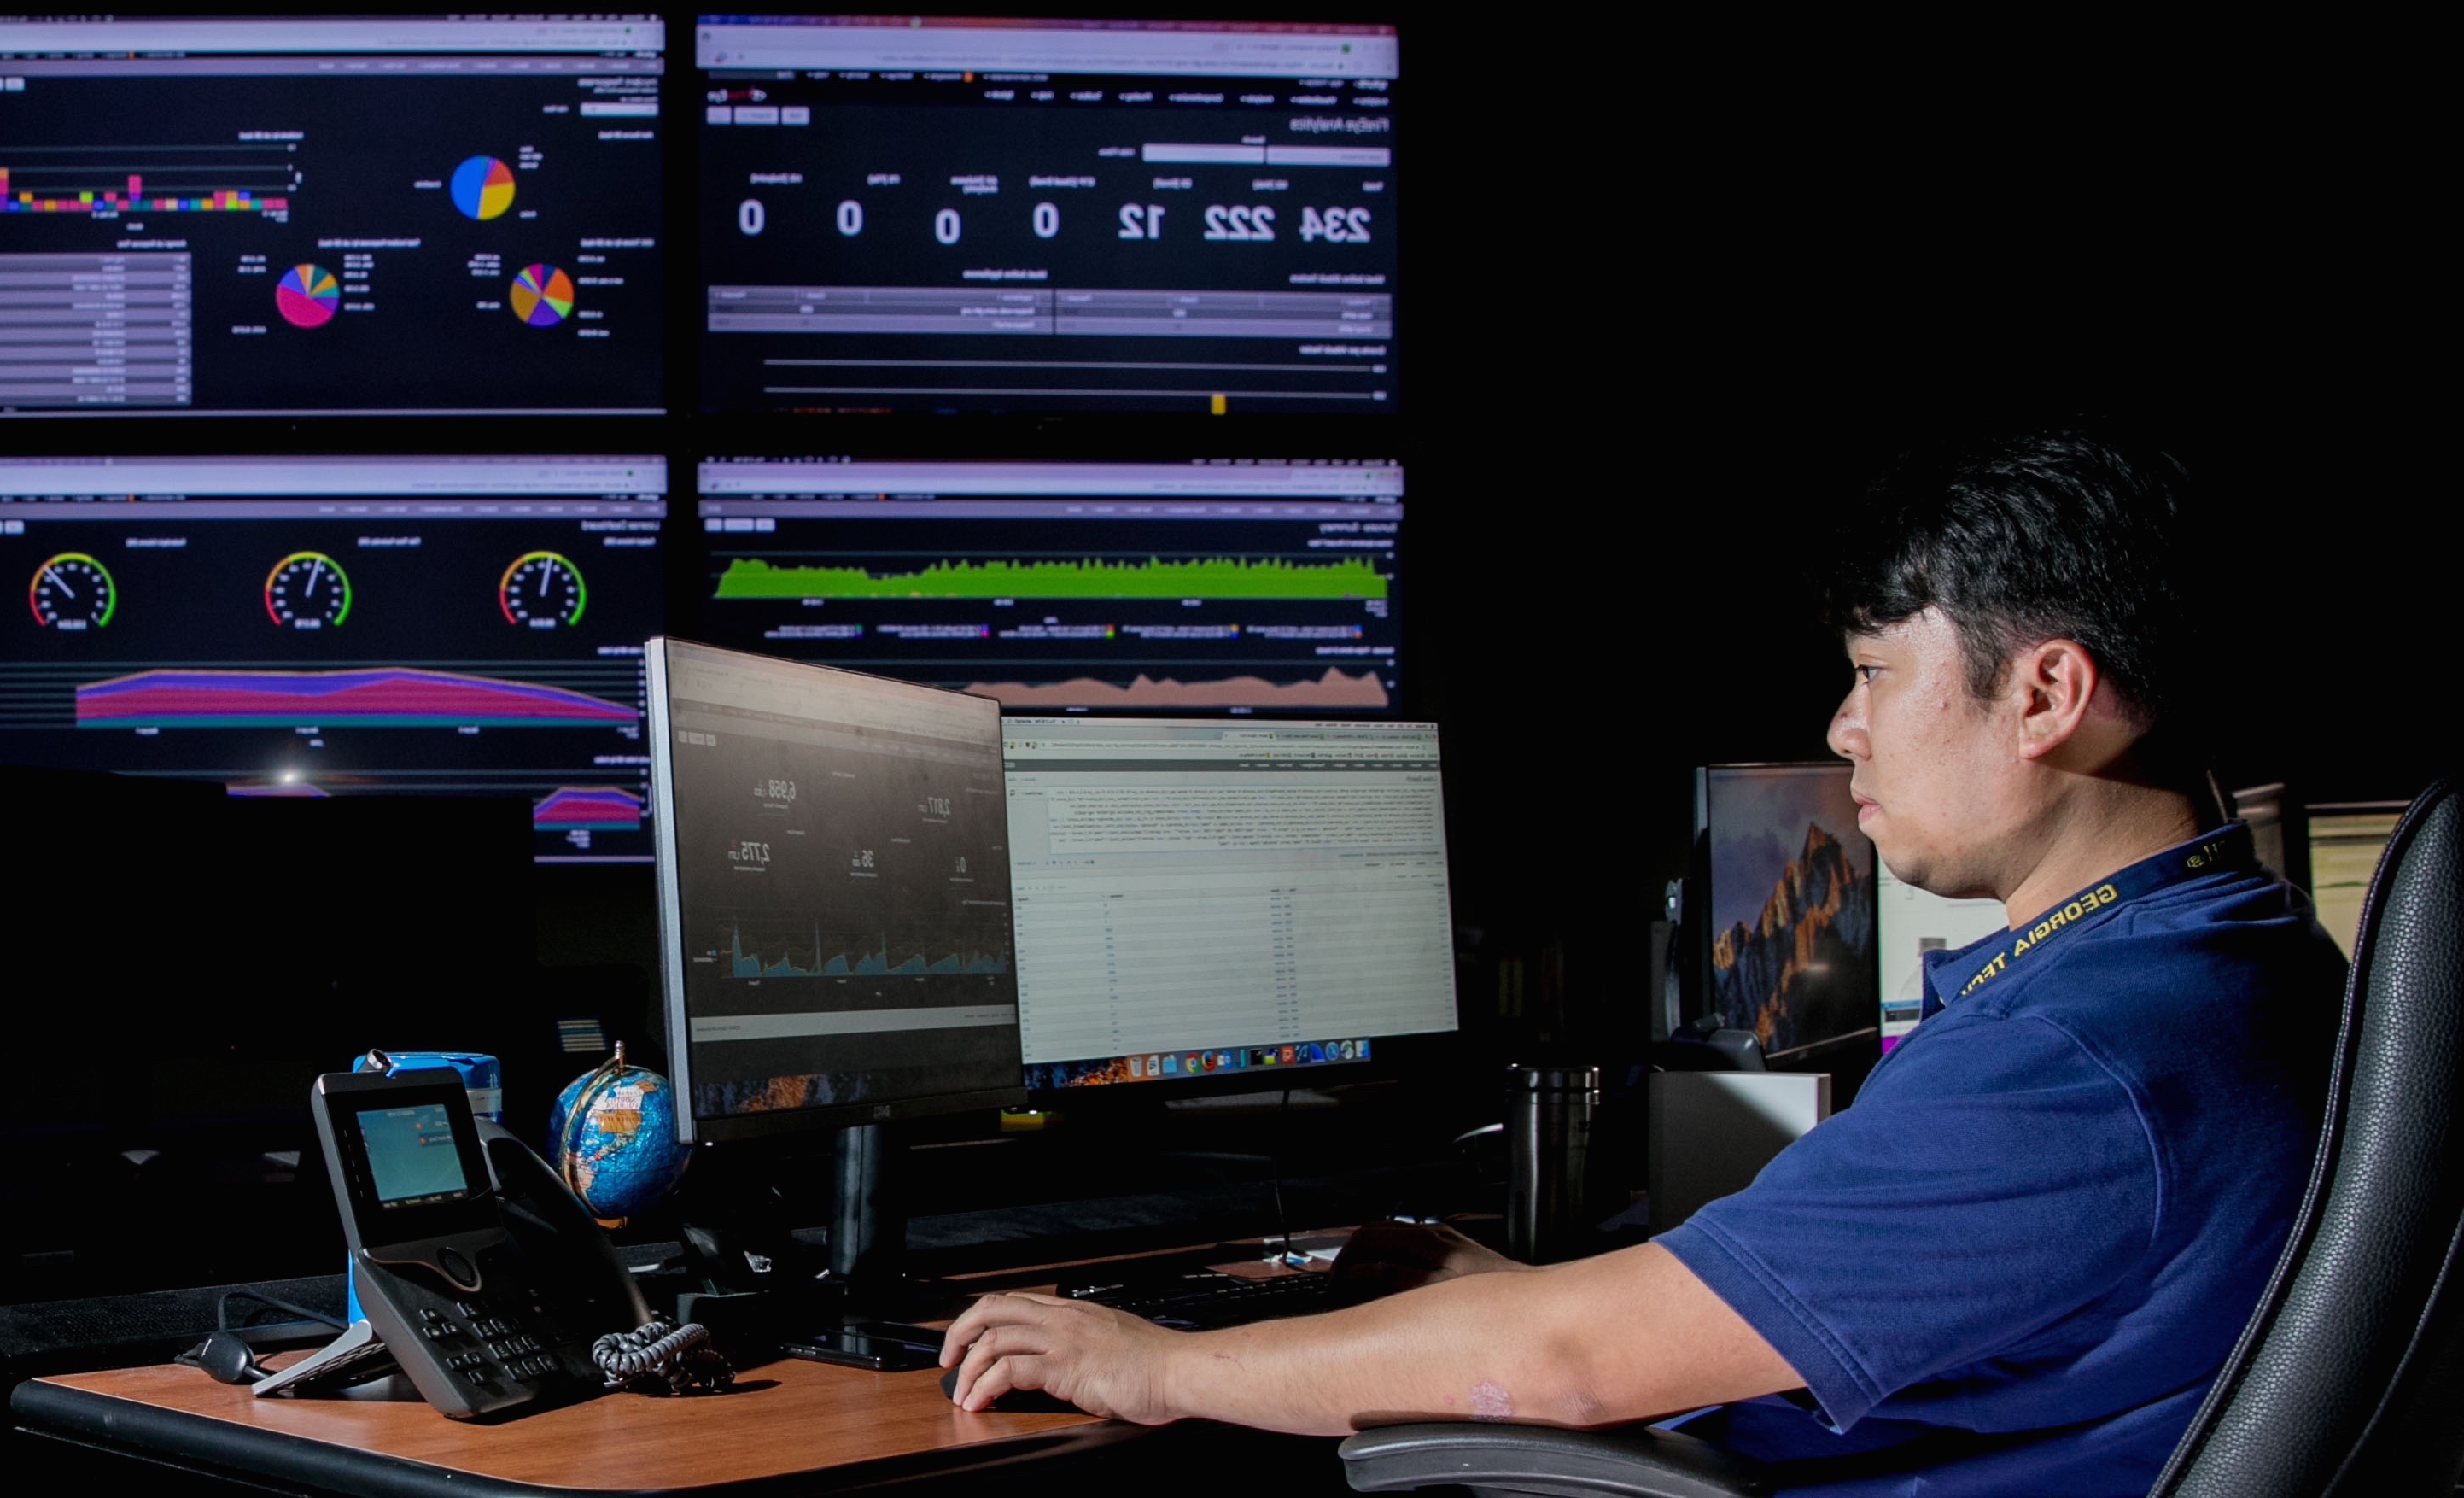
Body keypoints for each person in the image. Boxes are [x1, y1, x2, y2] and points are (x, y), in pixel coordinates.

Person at [937, 432, 2344, 1498]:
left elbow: (1569, 1369)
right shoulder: (2239, 961)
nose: (1844, 728)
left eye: (1876, 673)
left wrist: (1160, 1361)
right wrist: (1512, 1296)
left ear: (2043, 692)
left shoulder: (2080, 1054)